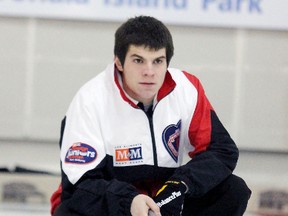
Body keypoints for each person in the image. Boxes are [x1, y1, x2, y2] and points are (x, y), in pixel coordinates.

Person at [50, 15, 251, 216]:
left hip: (162, 201)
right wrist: (129, 201)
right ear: (119, 62)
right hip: (113, 204)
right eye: (138, 60)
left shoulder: (186, 89)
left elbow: (222, 150)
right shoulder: (90, 100)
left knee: (233, 190)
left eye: (158, 61)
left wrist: (180, 185)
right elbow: (80, 186)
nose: (149, 72)